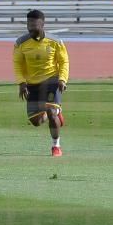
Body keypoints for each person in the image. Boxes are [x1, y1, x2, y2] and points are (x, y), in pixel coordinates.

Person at [13, 9, 69, 157]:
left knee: (51, 112)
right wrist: (21, 83)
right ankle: (57, 112)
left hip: (52, 80)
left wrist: (62, 79)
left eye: (34, 24)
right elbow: (17, 64)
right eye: (28, 24)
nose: (30, 27)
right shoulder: (20, 43)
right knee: (36, 121)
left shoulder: (56, 42)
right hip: (32, 84)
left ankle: (56, 146)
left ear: (42, 24)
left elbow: (64, 62)